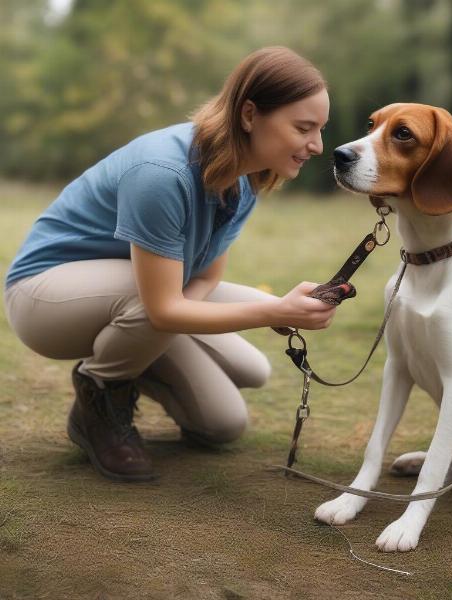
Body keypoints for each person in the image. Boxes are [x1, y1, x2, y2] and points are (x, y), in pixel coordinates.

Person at [3, 46, 335, 483]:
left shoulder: (246, 177)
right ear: (250, 115)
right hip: (44, 297)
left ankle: (128, 355)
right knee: (157, 308)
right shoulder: (162, 172)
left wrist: (183, 314)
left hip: (141, 294)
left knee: (225, 417)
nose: (317, 145)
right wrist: (274, 311)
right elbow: (161, 309)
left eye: (320, 129)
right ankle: (99, 392)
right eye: (303, 128)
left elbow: (208, 272)